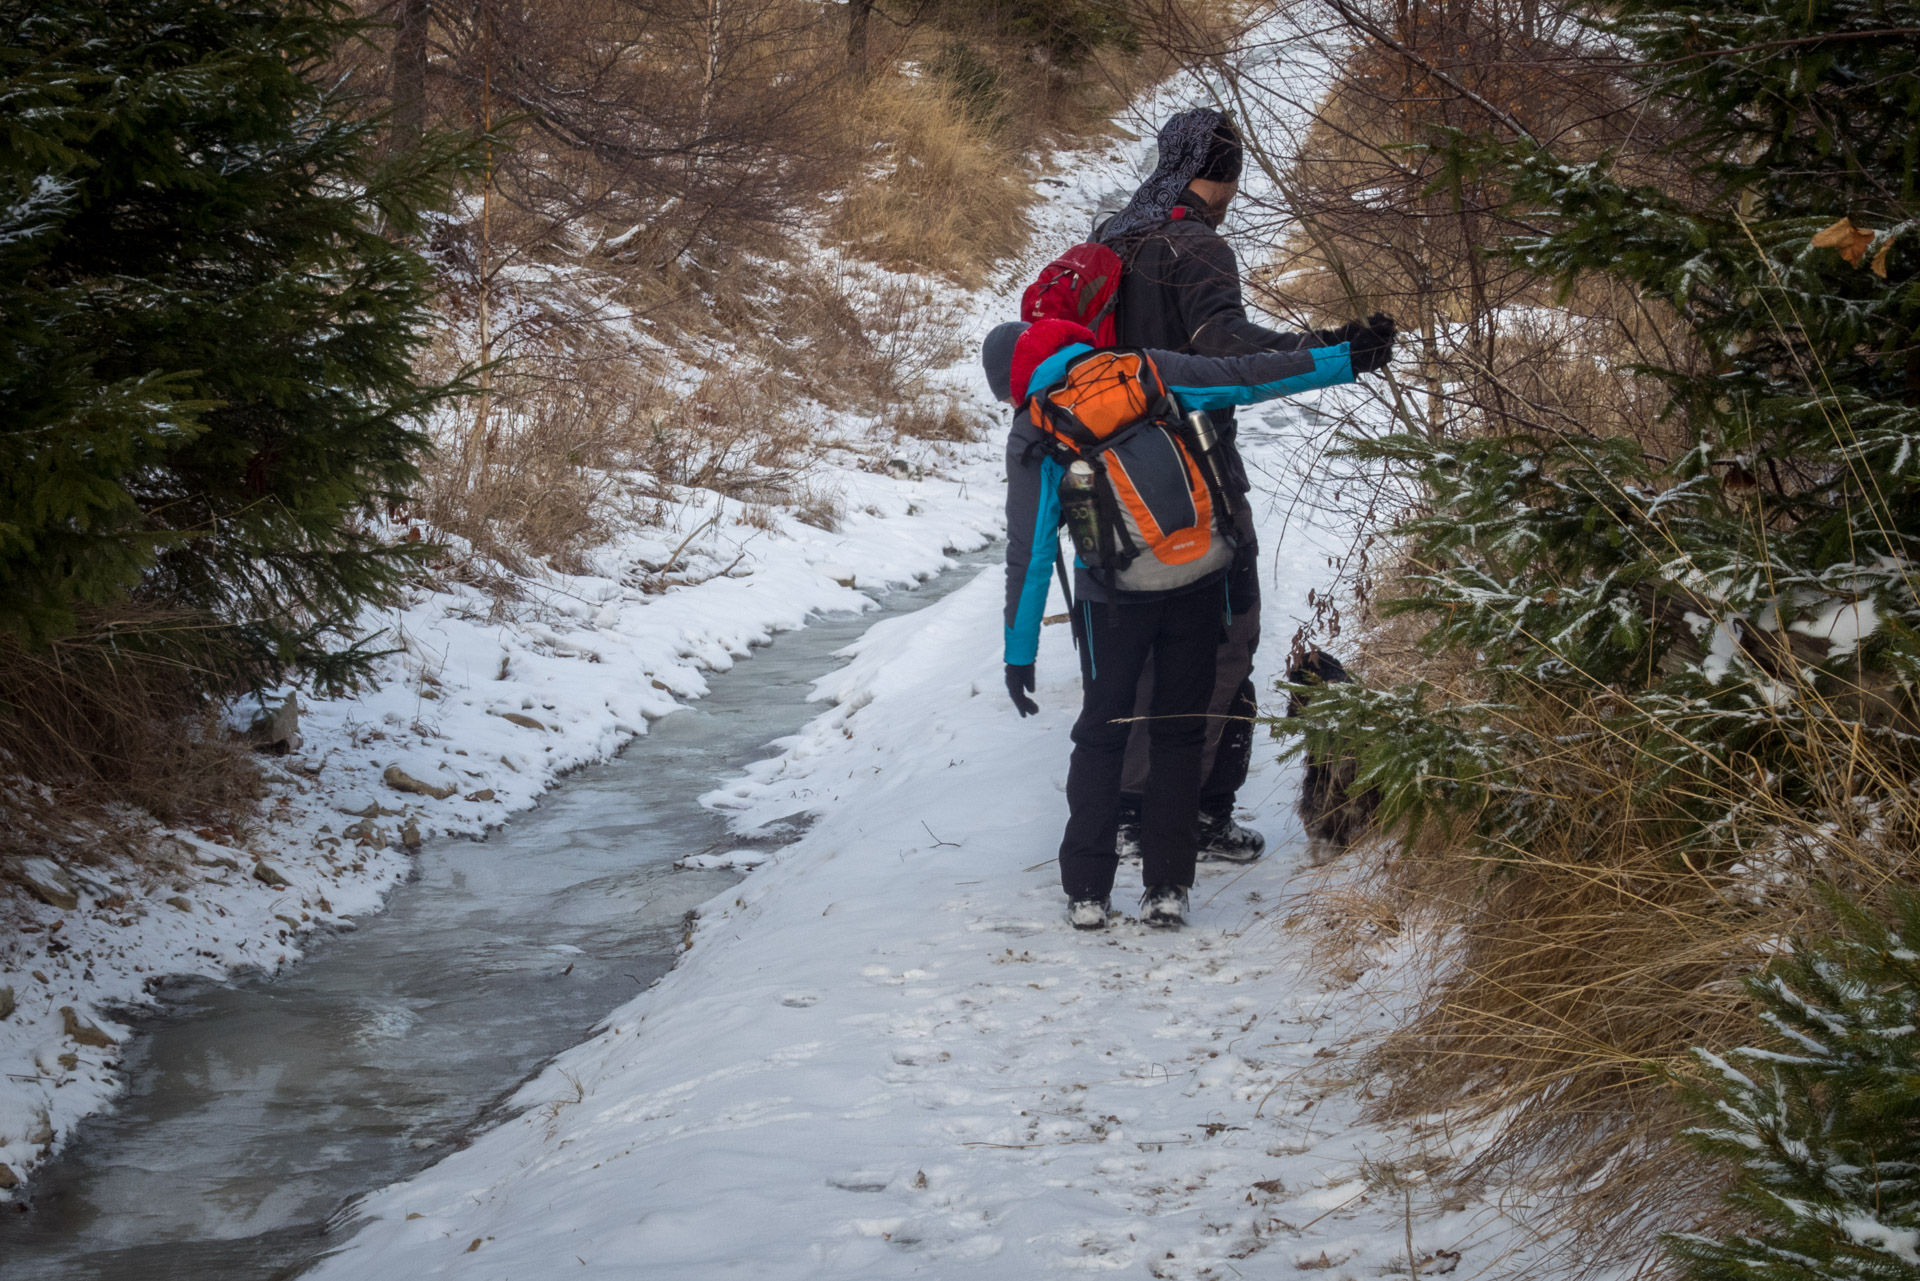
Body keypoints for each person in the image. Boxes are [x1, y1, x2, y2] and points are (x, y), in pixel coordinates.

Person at [985, 315, 1391, 930]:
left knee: (1102, 736)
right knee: (1178, 732)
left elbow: (1031, 551)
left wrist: (1020, 655)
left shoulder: (1036, 426)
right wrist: (1347, 356)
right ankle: (1167, 887)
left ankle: (1089, 892)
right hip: (1200, 583)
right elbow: (1248, 377)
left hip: (1112, 604)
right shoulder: (1146, 368)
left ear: (1014, 380)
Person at [1098, 108, 1395, 864]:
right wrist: (1330, 351)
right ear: (1225, 170)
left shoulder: (1112, 237)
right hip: (1194, 479)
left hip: (1106, 475)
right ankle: (1193, 812)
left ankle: (1130, 807)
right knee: (1226, 637)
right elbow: (1225, 351)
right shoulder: (1195, 244)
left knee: (1139, 646)